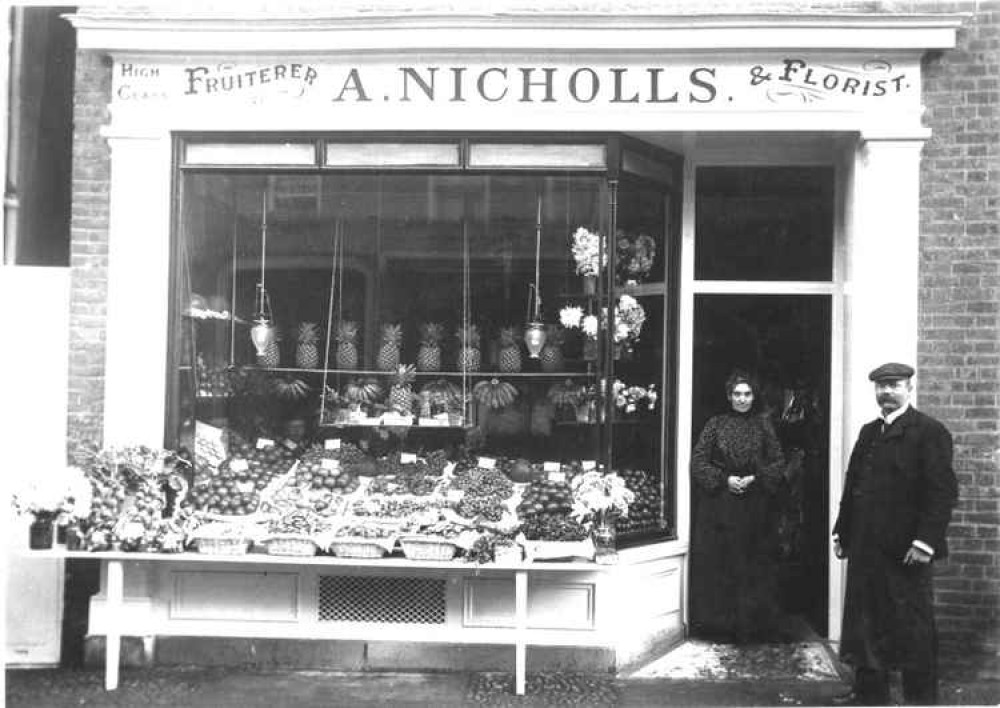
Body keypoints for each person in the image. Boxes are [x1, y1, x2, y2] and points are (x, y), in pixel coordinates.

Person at [832, 362, 958, 706]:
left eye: (894, 385)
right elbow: (853, 485)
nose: (886, 391)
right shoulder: (868, 433)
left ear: (909, 388)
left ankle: (920, 699)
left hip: (907, 552)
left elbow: (942, 493)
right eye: (881, 386)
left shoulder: (929, 431)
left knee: (913, 628)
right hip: (866, 548)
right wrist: (842, 532)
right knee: (865, 622)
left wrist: (925, 542)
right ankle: (870, 696)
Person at [689, 369, 786, 643]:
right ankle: (722, 627)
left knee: (754, 564)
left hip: (755, 506)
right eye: (737, 394)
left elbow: (778, 460)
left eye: (747, 394)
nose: (742, 399)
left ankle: (753, 627)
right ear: (729, 396)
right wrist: (723, 480)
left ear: (754, 397)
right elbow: (698, 461)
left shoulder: (763, 425)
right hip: (721, 506)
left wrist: (757, 478)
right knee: (723, 563)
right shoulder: (716, 424)